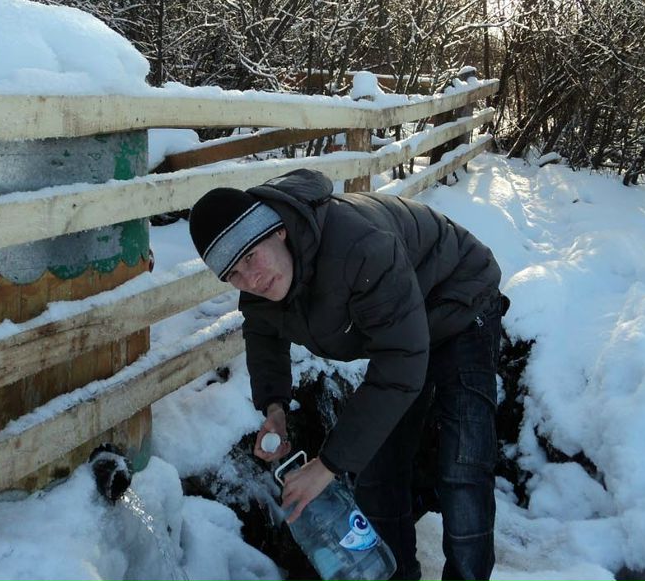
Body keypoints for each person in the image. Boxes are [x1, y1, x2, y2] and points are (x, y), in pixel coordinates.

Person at [188, 168, 506, 581]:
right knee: (377, 470)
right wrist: (275, 406)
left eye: (250, 258)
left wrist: (327, 465)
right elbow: (263, 335)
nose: (252, 280)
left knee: (463, 466)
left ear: (278, 232)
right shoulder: (262, 283)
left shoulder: (357, 247)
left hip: (460, 299)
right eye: (233, 274)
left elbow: (400, 361)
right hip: (403, 325)